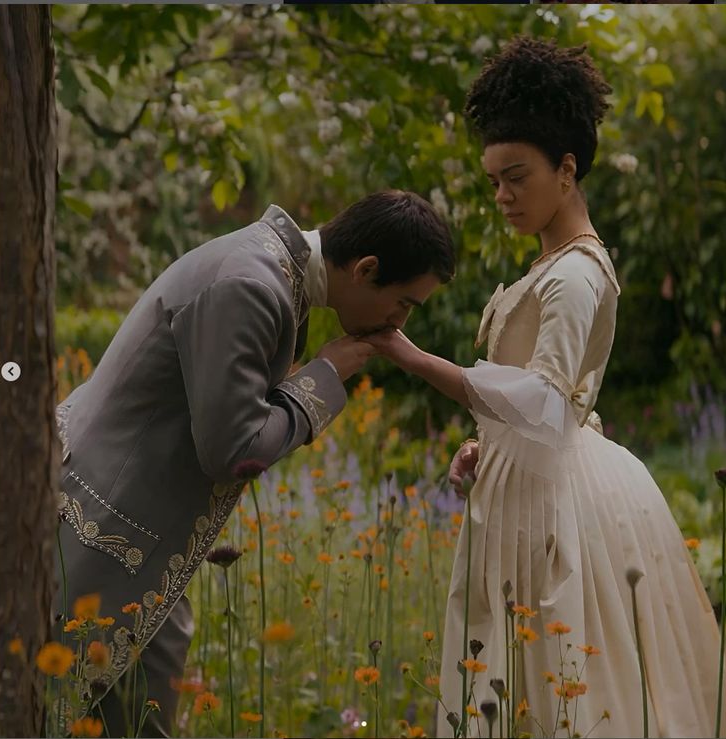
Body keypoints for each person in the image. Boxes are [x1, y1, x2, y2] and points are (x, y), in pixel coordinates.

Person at [366, 38, 723, 738]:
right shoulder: (550, 261)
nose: (501, 195)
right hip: (526, 481)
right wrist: (483, 438)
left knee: (557, 675)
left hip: (552, 503)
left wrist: (412, 357)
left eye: (515, 176)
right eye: (493, 178)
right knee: (515, 673)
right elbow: (532, 396)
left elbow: (547, 402)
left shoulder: (575, 274)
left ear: (566, 170)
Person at [54, 189, 455, 735]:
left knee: (145, 710)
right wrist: (325, 376)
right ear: (366, 269)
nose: (399, 321)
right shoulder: (253, 285)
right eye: (405, 303)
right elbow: (231, 450)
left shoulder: (271, 270)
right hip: (100, 530)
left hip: (140, 541)